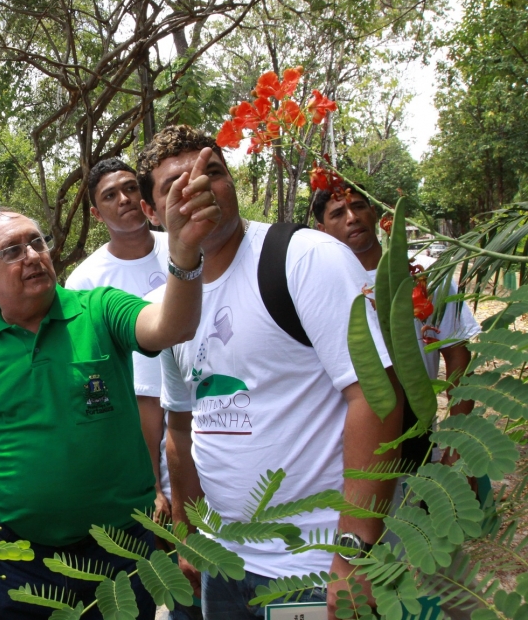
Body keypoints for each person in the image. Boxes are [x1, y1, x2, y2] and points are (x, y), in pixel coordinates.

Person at [0, 146, 220, 620]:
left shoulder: (99, 308)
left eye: (36, 243)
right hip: (22, 564)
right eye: (12, 251)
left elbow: (171, 326)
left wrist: (184, 254)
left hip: (121, 557)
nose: (32, 256)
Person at [137, 125, 400, 620]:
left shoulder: (305, 258)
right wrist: (189, 537)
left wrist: (354, 553)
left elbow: (374, 396)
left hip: (314, 566)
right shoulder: (165, 309)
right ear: (152, 213)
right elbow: (180, 427)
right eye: (176, 185)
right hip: (223, 564)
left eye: (213, 172)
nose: (199, 187)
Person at [313, 188, 480, 463]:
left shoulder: (426, 274)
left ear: (374, 213)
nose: (352, 218)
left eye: (359, 206)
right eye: (338, 213)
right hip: (348, 445)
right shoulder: (316, 286)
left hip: (419, 436)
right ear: (322, 230)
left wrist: (460, 445)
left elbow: (457, 354)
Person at [65, 157, 173, 521]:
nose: (124, 199)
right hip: (135, 418)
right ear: (96, 214)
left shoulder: (185, 249)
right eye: (110, 195)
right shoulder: (85, 281)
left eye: (130, 188)